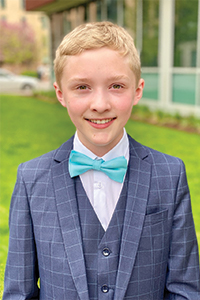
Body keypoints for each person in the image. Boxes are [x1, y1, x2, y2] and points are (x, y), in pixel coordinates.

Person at [3, 21, 200, 300]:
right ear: (61, 94)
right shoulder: (31, 178)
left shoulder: (170, 174)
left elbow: (185, 289)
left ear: (137, 91)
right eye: (82, 87)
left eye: (116, 86)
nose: (100, 104)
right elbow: (18, 294)